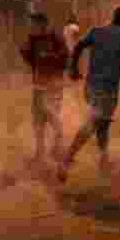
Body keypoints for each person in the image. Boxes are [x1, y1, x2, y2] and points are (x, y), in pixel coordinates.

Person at [58, 7, 120, 182]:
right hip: (108, 90)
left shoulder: (97, 31)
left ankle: (103, 160)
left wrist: (73, 67)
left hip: (90, 87)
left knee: (102, 124)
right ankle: (67, 158)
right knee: (93, 123)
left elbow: (79, 45)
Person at [21, 13, 69, 167]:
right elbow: (30, 59)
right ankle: (40, 151)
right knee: (38, 120)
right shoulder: (33, 39)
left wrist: (48, 56)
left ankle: (57, 148)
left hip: (54, 85)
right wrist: (25, 50)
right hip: (39, 85)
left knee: (53, 117)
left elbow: (65, 56)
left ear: (43, 24)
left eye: (35, 24)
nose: (33, 27)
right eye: (32, 25)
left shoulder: (55, 37)